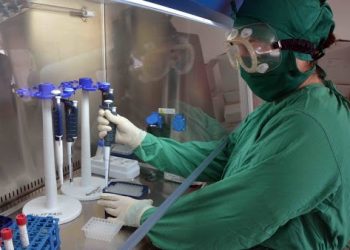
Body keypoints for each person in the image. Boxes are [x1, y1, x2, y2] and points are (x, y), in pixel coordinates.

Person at [97, 0, 350, 249]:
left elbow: (240, 214)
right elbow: (224, 156)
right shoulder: (283, 105)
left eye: (255, 45)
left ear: (301, 52)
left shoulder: (310, 124)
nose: (241, 58)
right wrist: (143, 141)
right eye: (239, 44)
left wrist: (147, 216)